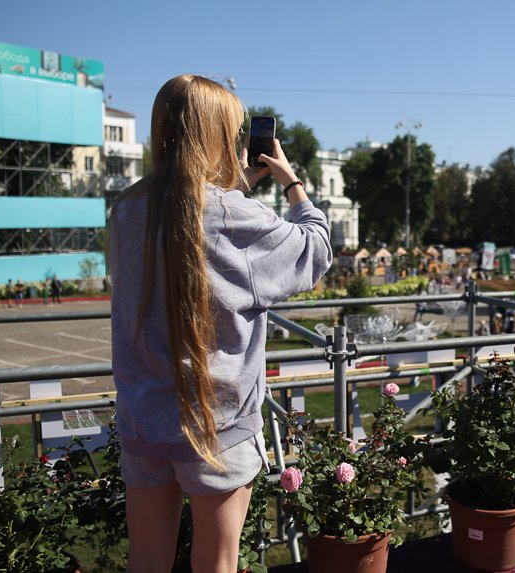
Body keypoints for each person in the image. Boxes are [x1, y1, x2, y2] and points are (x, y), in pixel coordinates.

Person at [109, 75, 332, 572]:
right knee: (217, 565)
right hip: (217, 426)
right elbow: (314, 251)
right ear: (216, 134)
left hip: (144, 422)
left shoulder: (126, 210)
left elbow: (193, 215)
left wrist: (240, 189)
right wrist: (291, 183)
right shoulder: (234, 214)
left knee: (146, 562)